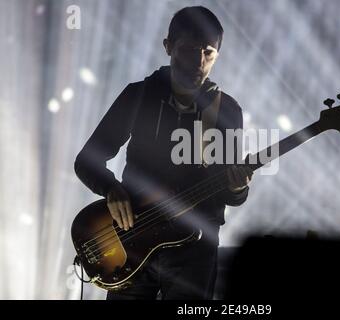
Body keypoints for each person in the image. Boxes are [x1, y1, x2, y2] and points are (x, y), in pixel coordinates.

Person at [74, 6, 253, 300]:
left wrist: (237, 188)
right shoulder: (139, 95)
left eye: (208, 52)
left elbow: (231, 193)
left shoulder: (228, 111)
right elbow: (86, 161)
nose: (199, 61)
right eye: (189, 49)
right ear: (168, 46)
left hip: (194, 252)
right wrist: (111, 189)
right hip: (131, 242)